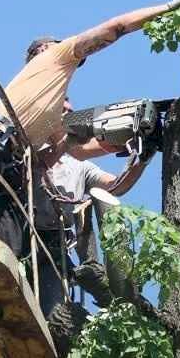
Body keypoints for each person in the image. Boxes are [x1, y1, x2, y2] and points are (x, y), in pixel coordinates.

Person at [0, 0, 180, 253]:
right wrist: (169, 8)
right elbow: (117, 28)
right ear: (43, 49)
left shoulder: (51, 112)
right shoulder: (53, 57)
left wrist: (138, 143)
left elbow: (75, 149)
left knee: (4, 246)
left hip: (14, 169)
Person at [34, 99, 151, 317]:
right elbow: (38, 166)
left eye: (71, 111)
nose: (68, 114)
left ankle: (96, 271)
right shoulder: (29, 147)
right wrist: (69, 143)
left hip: (54, 250)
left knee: (56, 316)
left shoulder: (78, 166)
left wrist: (143, 158)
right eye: (62, 110)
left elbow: (116, 186)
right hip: (26, 237)